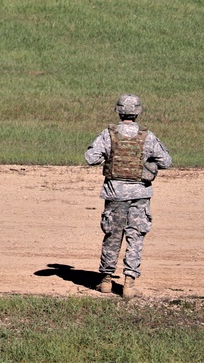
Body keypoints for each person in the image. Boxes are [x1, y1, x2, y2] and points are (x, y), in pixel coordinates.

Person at [85, 94, 172, 297]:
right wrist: (148, 163)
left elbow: (91, 158)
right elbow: (166, 161)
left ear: (118, 111)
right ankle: (129, 284)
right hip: (140, 193)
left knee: (112, 236)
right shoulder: (147, 136)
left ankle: (106, 281)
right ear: (138, 112)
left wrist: (109, 157)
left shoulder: (109, 134)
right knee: (135, 236)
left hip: (115, 194)